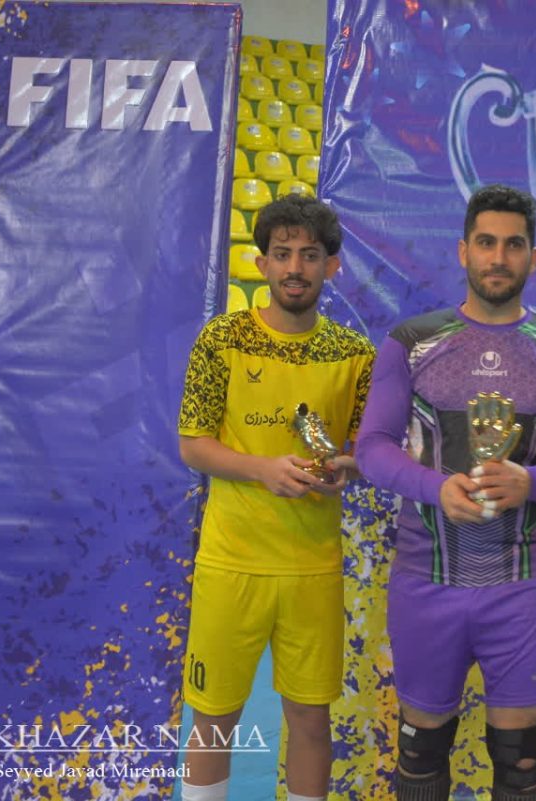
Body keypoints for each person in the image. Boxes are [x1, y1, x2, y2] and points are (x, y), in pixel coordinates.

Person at [355, 184, 536, 800]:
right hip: (425, 581)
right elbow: (372, 449)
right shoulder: (412, 341)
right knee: (420, 754)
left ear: (533, 257)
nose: (499, 257)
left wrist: (532, 481)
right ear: (463, 251)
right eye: (486, 243)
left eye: (513, 245)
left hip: (522, 586)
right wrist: (436, 488)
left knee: (521, 763)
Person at [176, 195, 376, 801]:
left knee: (311, 721)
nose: (295, 267)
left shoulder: (354, 355)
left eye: (309, 255)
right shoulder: (222, 339)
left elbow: (369, 452)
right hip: (231, 563)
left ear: (331, 267)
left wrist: (346, 469)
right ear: (261, 263)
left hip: (313, 569)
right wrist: (262, 469)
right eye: (283, 253)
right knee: (214, 720)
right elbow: (193, 445)